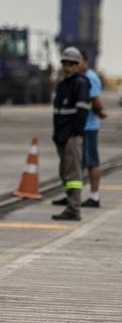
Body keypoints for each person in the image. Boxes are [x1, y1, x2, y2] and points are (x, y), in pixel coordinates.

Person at [51, 47, 92, 221]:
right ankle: (70, 203)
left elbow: (82, 111)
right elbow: (58, 111)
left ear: (77, 65)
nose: (67, 67)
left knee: (73, 174)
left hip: (72, 137)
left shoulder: (80, 83)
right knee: (65, 172)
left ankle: (74, 208)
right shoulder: (62, 85)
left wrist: (74, 133)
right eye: (65, 64)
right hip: (61, 136)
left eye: (71, 64)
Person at [80, 51, 108, 207]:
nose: (75, 65)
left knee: (91, 162)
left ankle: (94, 196)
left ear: (86, 62)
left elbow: (95, 101)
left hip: (89, 126)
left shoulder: (90, 78)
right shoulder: (80, 78)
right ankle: (72, 195)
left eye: (78, 62)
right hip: (82, 126)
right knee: (79, 163)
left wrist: (100, 111)